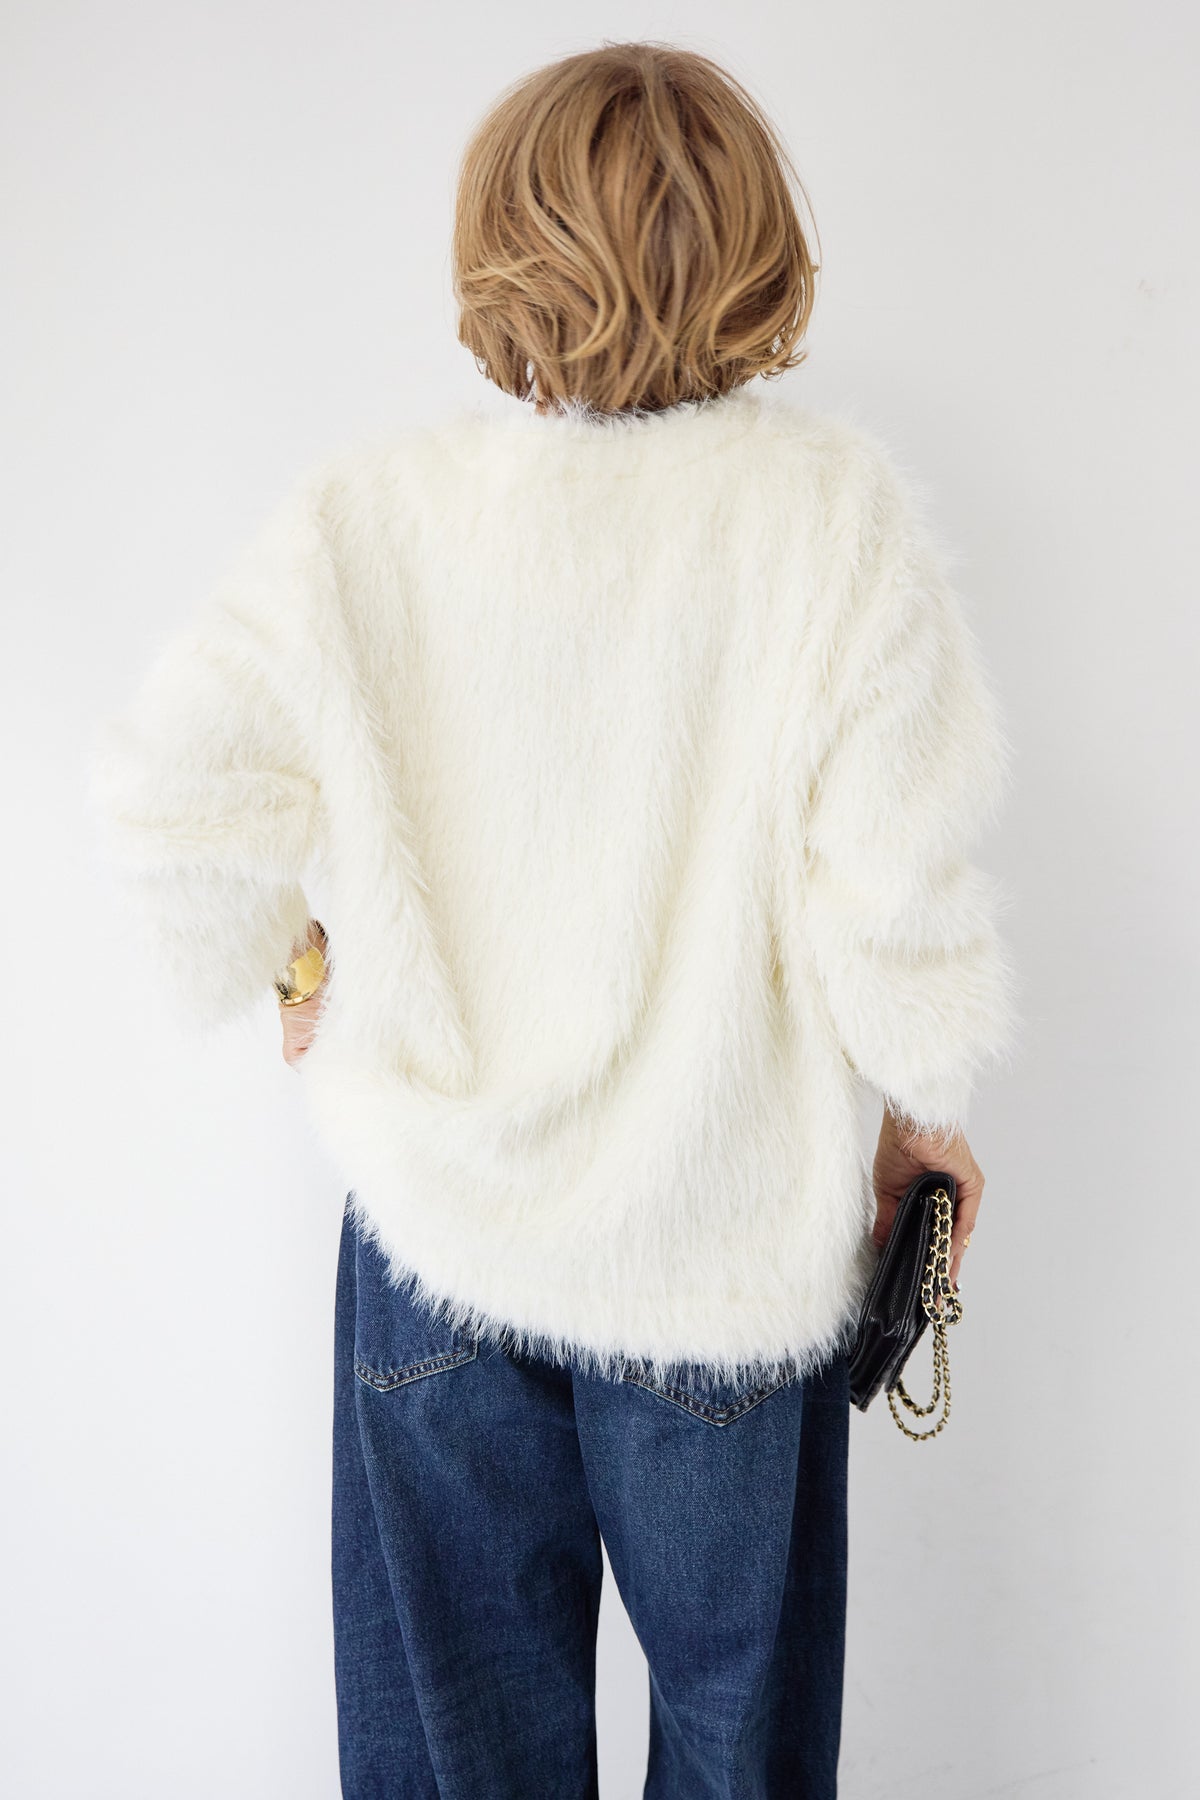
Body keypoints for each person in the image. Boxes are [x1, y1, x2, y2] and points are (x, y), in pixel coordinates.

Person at [88, 39, 1018, 1800]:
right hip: (723, 1250)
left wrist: (297, 968)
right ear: (757, 249)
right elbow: (895, 896)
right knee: (740, 1754)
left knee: (458, 1756)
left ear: (495, 247)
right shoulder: (834, 525)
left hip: (441, 1233)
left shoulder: (370, 524)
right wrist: (926, 1118)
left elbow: (166, 798)